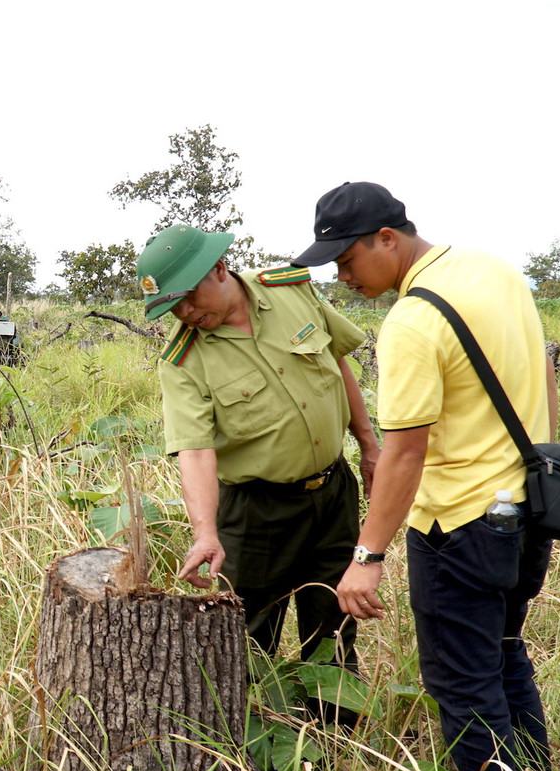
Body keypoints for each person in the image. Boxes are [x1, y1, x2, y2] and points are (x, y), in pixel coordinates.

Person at [292, 182, 559, 771]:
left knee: (463, 683)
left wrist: (367, 555)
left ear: (388, 237)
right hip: (526, 510)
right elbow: (544, 375)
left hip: (459, 523)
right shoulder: (494, 272)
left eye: (347, 259)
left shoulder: (412, 321)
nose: (342, 277)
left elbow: (404, 453)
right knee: (505, 661)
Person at [137, 225, 379, 694]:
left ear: (219, 269)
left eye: (187, 298)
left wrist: (369, 447)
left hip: (333, 494)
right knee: (245, 643)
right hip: (256, 513)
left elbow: (337, 363)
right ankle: (255, 736)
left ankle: (331, 735)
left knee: (333, 630)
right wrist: (205, 533)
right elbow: (195, 449)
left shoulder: (291, 290)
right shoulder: (182, 359)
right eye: (172, 307)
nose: (185, 314)